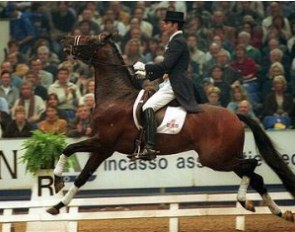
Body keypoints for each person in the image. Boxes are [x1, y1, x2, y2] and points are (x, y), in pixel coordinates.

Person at [133, 11, 202, 160]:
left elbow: (166, 65)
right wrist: (146, 74)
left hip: (175, 84)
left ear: (175, 25)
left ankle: (150, 147)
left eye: (167, 23)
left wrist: (145, 68)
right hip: (169, 81)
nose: (163, 25)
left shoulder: (177, 41)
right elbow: (168, 68)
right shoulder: (175, 40)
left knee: (147, 107)